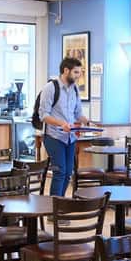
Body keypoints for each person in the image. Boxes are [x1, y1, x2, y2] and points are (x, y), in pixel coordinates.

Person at [39, 57, 90, 197]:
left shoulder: (75, 89)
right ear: (66, 70)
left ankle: (61, 203)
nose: (78, 75)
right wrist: (61, 123)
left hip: (70, 137)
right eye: (76, 72)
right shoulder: (50, 88)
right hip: (54, 136)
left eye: (80, 72)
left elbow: (78, 113)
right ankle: (53, 207)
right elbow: (43, 115)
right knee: (59, 172)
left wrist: (88, 122)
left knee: (68, 173)